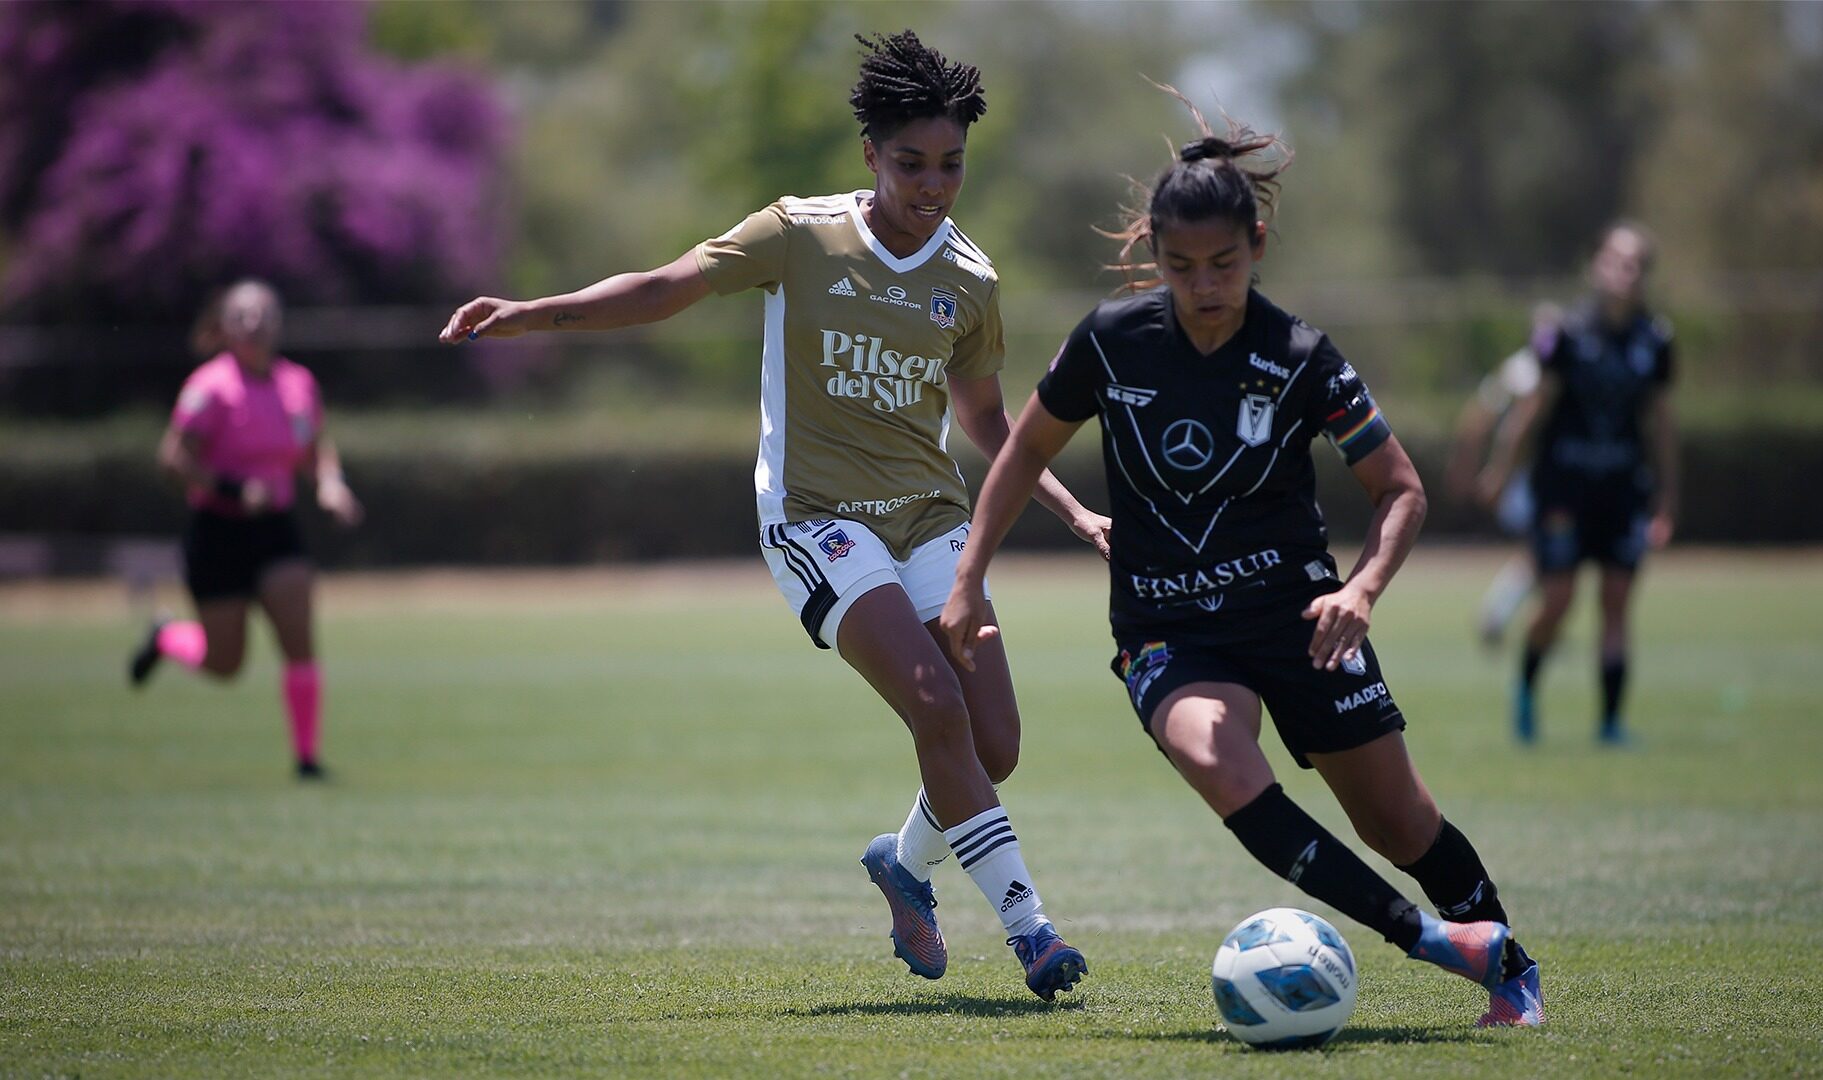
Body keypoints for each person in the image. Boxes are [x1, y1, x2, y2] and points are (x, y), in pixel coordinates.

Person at [437, 31, 1105, 1002]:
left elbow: (988, 419)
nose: (932, 184)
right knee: (935, 705)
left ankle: (906, 865)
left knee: (991, 741)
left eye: (951, 164)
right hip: (817, 516)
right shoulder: (800, 231)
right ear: (870, 153)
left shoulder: (972, 280)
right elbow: (665, 288)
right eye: (911, 162)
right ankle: (1034, 934)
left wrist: (1077, 511)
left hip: (928, 518)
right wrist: (535, 311)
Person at [940, 94, 1544, 1027]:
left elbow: (1403, 489)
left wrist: (1363, 588)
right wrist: (970, 572)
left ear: (1257, 245)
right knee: (1216, 758)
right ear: (1154, 254)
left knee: (1396, 821)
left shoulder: (1301, 355)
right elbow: (1021, 450)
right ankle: (1428, 941)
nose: (1204, 284)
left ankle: (1509, 965)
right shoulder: (1110, 341)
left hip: (1300, 618)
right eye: (1180, 266)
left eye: (1223, 263)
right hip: (1166, 629)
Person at [129, 279, 363, 780]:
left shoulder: (298, 384)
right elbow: (173, 459)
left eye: (263, 314)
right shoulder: (209, 388)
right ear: (225, 326)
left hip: (276, 529)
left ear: (278, 323)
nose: (254, 324)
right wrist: (232, 490)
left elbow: (317, 447)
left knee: (299, 635)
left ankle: (306, 759)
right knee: (225, 664)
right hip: (218, 533)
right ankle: (168, 637)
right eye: (243, 315)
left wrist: (330, 484)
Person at [1478, 224, 1677, 745]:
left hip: (1622, 490)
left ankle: (1610, 724)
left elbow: (1660, 423)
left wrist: (1667, 498)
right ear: (1597, 267)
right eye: (1615, 261)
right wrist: (1501, 471)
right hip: (1564, 489)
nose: (1624, 273)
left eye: (1634, 264)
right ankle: (1525, 692)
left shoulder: (1655, 340)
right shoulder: (1564, 333)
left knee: (1616, 599)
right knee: (1560, 598)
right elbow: (1532, 409)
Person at [1443, 303, 1560, 647]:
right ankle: (1498, 615)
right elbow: (1480, 418)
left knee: (1546, 554)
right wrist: (1477, 469)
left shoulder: (1555, 369)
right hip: (1524, 483)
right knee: (1544, 554)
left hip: (1541, 480)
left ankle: (1518, 617)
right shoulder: (1522, 372)